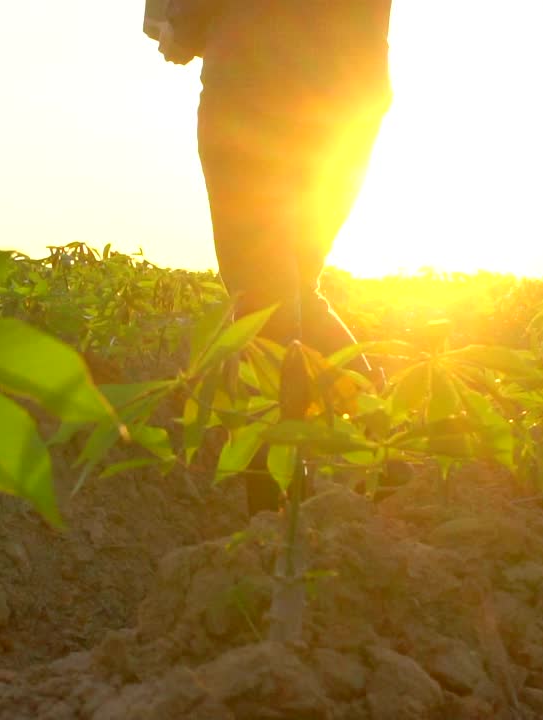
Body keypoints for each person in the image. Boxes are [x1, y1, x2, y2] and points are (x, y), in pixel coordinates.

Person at [158, 0, 394, 514]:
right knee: (289, 282)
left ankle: (273, 505)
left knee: (262, 294)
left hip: (258, 81)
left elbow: (178, 31)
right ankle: (383, 443)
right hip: (349, 92)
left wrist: (178, 22)